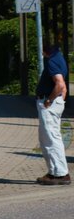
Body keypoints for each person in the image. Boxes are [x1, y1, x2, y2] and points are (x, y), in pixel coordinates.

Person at [35, 42, 69, 185]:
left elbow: (60, 84)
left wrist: (49, 101)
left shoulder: (52, 60)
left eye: (42, 50)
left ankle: (60, 174)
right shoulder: (59, 57)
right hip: (55, 103)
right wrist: (61, 100)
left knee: (51, 139)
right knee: (47, 138)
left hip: (49, 103)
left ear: (46, 50)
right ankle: (54, 172)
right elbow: (64, 88)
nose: (41, 53)